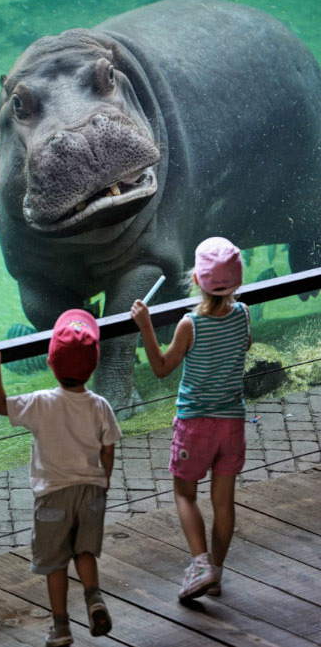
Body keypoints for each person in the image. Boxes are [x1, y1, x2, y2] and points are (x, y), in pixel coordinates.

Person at [0, 309, 121, 646]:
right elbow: (108, 449)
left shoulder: (40, 403)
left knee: (55, 562)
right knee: (84, 552)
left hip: (52, 496)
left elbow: (0, 405)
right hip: (90, 492)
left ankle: (61, 627)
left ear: (49, 361)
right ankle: (94, 598)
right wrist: (104, 480)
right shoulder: (100, 404)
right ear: (94, 364)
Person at [131, 237, 251, 602]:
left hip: (195, 425)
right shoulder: (243, 313)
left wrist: (145, 326)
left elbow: (162, 368)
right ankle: (215, 570)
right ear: (238, 282)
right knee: (224, 503)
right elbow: (243, 346)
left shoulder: (189, 325)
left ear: (196, 280)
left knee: (185, 494)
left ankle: (200, 565)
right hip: (232, 424)